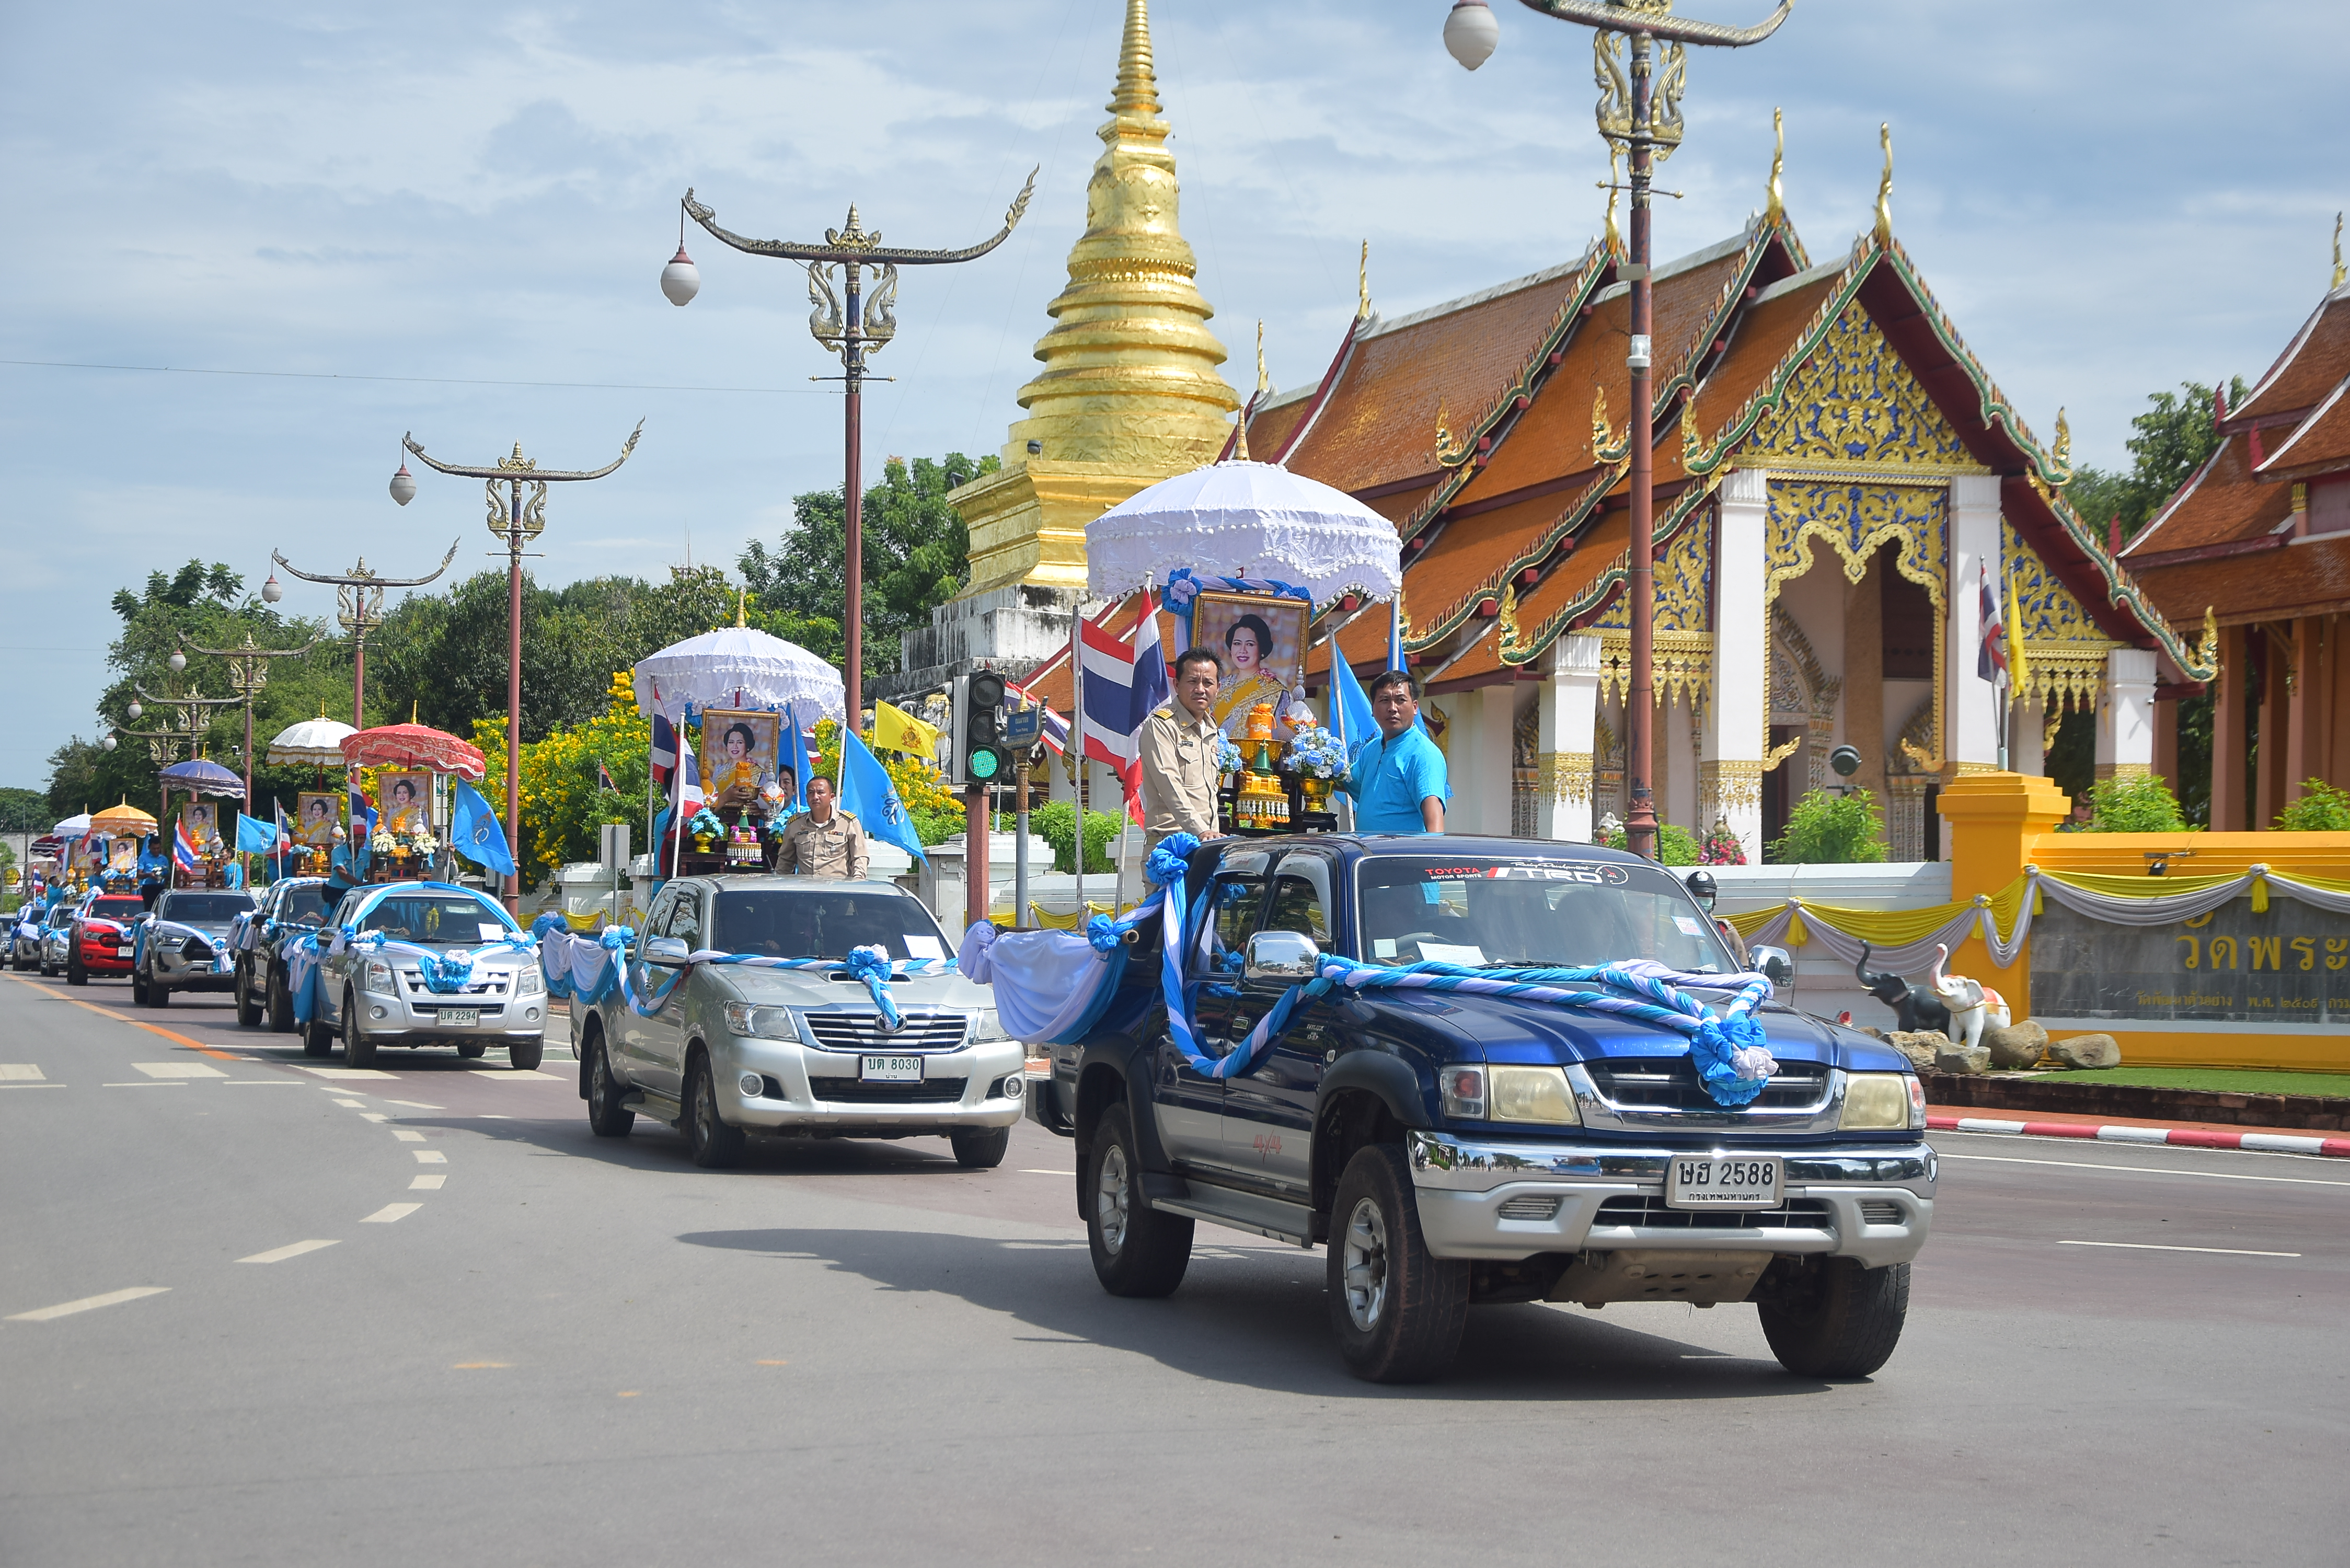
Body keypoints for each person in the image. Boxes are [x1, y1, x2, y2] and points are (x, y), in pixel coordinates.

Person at [1142, 647, 1226, 850]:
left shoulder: (1212, 729)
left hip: (1207, 846)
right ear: (1177, 685)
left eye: (1208, 683)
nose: (1200, 689)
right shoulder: (1161, 726)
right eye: (1193, 681)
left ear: (1218, 688)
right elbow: (1170, 785)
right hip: (1171, 847)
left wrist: (1210, 835)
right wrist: (1200, 830)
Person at [1345, 670, 1447, 834]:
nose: (1393, 708)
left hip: (1399, 855)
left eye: (1400, 700)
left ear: (1415, 707)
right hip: (1366, 853)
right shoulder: (1371, 749)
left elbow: (1434, 819)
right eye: (1385, 700)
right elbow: (1348, 781)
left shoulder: (1424, 754)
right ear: (1373, 708)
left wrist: (1431, 855)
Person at [769, 774, 869, 880]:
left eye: (820, 792)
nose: (815, 797)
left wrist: (857, 883)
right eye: (811, 793)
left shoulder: (848, 823)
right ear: (807, 797)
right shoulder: (796, 824)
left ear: (831, 797)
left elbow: (860, 858)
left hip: (837, 891)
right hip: (806, 891)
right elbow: (785, 862)